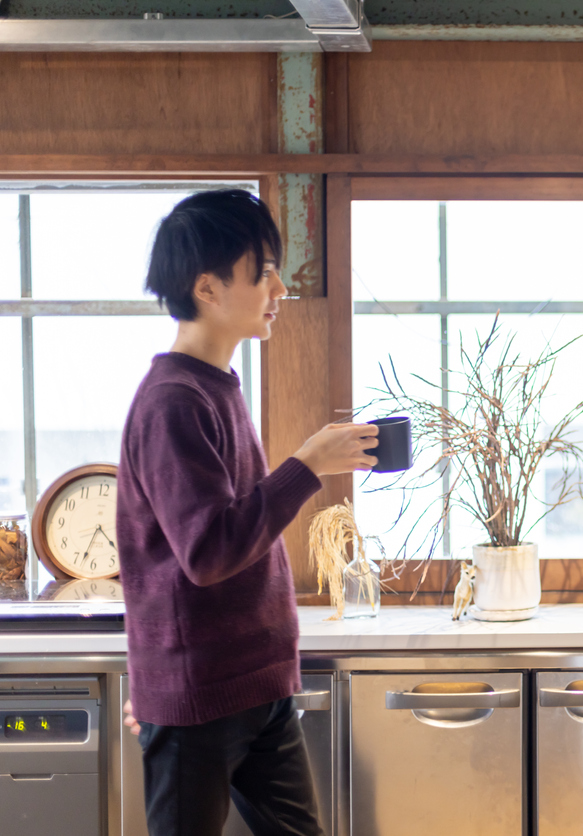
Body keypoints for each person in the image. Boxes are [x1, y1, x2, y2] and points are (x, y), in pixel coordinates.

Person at [116, 189, 380, 836]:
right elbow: (208, 554)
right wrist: (307, 466)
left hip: (255, 686)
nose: (280, 288)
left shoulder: (214, 387)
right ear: (207, 287)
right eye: (261, 270)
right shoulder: (173, 402)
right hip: (202, 697)